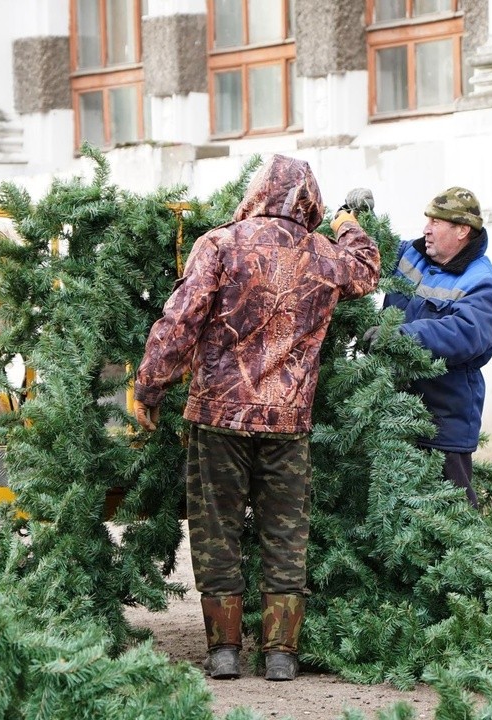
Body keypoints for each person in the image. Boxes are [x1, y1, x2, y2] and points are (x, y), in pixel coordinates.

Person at [133, 155, 380, 681]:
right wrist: (347, 223)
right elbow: (367, 269)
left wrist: (150, 386)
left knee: (216, 528)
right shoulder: (322, 254)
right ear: (308, 199)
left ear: (257, 191)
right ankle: (280, 656)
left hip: (218, 418)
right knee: (286, 533)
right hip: (288, 423)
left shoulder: (219, 244)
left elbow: (180, 320)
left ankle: (223, 651)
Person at [365, 187, 492, 508]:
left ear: (461, 231)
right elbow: (373, 249)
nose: (426, 229)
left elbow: (464, 334)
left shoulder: (482, 283)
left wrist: (400, 336)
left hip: (443, 420)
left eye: (436, 222)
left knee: (451, 513)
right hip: (393, 409)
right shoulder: (412, 256)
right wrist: (357, 218)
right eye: (426, 220)